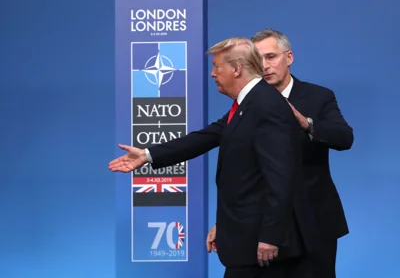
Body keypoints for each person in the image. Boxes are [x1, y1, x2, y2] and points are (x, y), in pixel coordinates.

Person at [109, 37, 316, 278]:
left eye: (217, 66)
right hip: (246, 239)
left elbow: (280, 178)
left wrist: (270, 236)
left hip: (262, 247)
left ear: (237, 69)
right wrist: (147, 154)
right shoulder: (248, 103)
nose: (212, 74)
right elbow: (204, 137)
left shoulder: (265, 106)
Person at [207, 29, 354, 278]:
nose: (265, 66)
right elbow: (238, 168)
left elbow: (344, 138)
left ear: (289, 57)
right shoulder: (249, 102)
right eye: (258, 58)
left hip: (313, 224)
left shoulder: (318, 96)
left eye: (271, 56)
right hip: (263, 227)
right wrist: (149, 154)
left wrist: (307, 123)